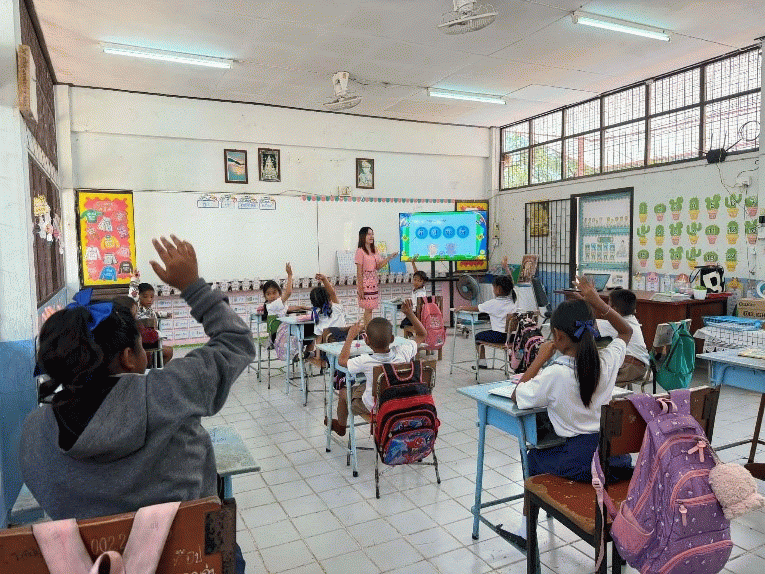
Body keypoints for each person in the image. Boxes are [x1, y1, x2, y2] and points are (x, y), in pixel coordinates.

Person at [20, 235, 255, 574]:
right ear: (129, 357)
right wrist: (193, 286)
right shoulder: (170, 391)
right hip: (196, 561)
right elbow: (236, 341)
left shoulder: (35, 433)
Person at [508, 275, 633, 548]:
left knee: (532, 457)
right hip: (615, 459)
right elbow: (626, 332)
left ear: (558, 336)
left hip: (582, 463)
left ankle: (526, 533)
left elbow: (517, 395)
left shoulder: (555, 373)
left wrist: (539, 358)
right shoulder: (607, 361)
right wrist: (598, 302)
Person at [327, 300, 425, 437]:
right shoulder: (403, 352)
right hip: (401, 402)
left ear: (366, 341)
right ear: (392, 339)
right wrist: (409, 314)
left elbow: (342, 361)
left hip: (377, 407)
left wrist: (349, 337)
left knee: (343, 391)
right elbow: (422, 334)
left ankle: (341, 426)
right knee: (367, 384)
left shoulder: (365, 360)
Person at [455, 274, 517, 369]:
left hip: (499, 337)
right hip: (512, 337)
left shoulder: (493, 303)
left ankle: (482, 362)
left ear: (498, 289)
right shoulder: (512, 302)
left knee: (478, 337)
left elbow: (476, 308)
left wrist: (461, 307)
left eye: (493, 287)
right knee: (486, 334)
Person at [596, 287, 649, 384]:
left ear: (614, 309)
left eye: (608, 304)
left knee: (594, 379)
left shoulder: (614, 324)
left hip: (630, 367)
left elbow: (591, 324)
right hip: (641, 367)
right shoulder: (632, 319)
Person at [355, 226, 398, 326]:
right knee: (368, 309)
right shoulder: (360, 251)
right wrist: (360, 288)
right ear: (363, 236)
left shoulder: (375, 250)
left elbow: (378, 266)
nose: (371, 236)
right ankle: (368, 330)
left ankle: (367, 329)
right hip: (365, 283)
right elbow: (359, 272)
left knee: (370, 309)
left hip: (373, 282)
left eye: (372, 234)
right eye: (369, 234)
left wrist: (389, 258)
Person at [260, 263, 309, 342]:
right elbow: (288, 293)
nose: (272, 296)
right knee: (302, 336)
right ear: (265, 296)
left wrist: (303, 307)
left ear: (279, 293)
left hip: (281, 332)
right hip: (278, 335)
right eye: (268, 294)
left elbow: (289, 308)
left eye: (274, 293)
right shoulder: (272, 305)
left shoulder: (276, 305)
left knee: (304, 337)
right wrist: (290, 275)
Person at [136, 281, 173, 364]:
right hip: (144, 343)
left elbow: (154, 314)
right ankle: (153, 367)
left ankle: (156, 368)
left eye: (152, 297)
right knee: (163, 352)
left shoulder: (148, 309)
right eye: (145, 297)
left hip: (152, 342)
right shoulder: (138, 310)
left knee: (169, 351)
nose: (149, 300)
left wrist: (165, 314)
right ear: (138, 296)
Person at [401, 256, 428, 329]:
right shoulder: (419, 288)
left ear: (423, 282)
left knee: (404, 324)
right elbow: (417, 273)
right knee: (404, 322)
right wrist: (413, 263)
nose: (416, 282)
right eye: (415, 280)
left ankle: (412, 333)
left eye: (419, 281)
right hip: (414, 313)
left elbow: (419, 308)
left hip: (417, 315)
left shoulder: (421, 292)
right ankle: (411, 334)